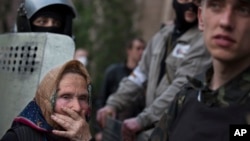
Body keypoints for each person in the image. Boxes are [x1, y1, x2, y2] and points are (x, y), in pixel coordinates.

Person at [96, 0, 211, 140]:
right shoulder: (162, 36)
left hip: (178, 131)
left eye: (195, 0)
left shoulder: (203, 40)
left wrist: (143, 120)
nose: (190, 5)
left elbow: (182, 87)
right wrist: (113, 104)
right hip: (152, 130)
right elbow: (139, 75)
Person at [149, 0, 250, 141]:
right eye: (215, 5)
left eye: (243, 9)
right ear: (201, 18)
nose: (226, 22)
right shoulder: (186, 96)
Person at [0, 60, 92, 141]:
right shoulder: (18, 137)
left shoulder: (86, 135)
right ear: (46, 101)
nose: (77, 107)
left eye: (83, 98)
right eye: (66, 97)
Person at [94, 38, 146, 141]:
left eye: (144, 49)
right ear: (129, 50)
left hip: (138, 130)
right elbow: (101, 100)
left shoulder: (146, 76)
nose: (142, 52)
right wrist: (100, 131)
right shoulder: (114, 72)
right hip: (114, 128)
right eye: (138, 48)